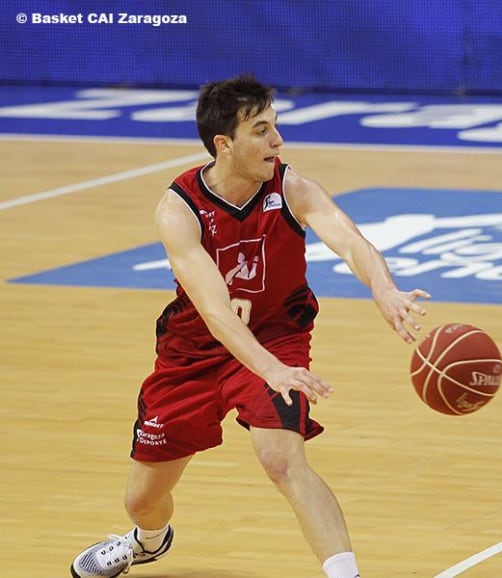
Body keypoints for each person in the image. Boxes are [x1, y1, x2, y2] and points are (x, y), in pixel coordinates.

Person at [70, 74, 430, 578]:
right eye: (261, 130)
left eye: (275, 127)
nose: (277, 141)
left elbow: (350, 242)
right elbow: (216, 314)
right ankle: (147, 542)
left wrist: (384, 289)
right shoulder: (179, 210)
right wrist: (272, 371)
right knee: (142, 499)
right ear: (225, 144)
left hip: (277, 337)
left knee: (282, 460)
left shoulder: (292, 187)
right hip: (194, 354)